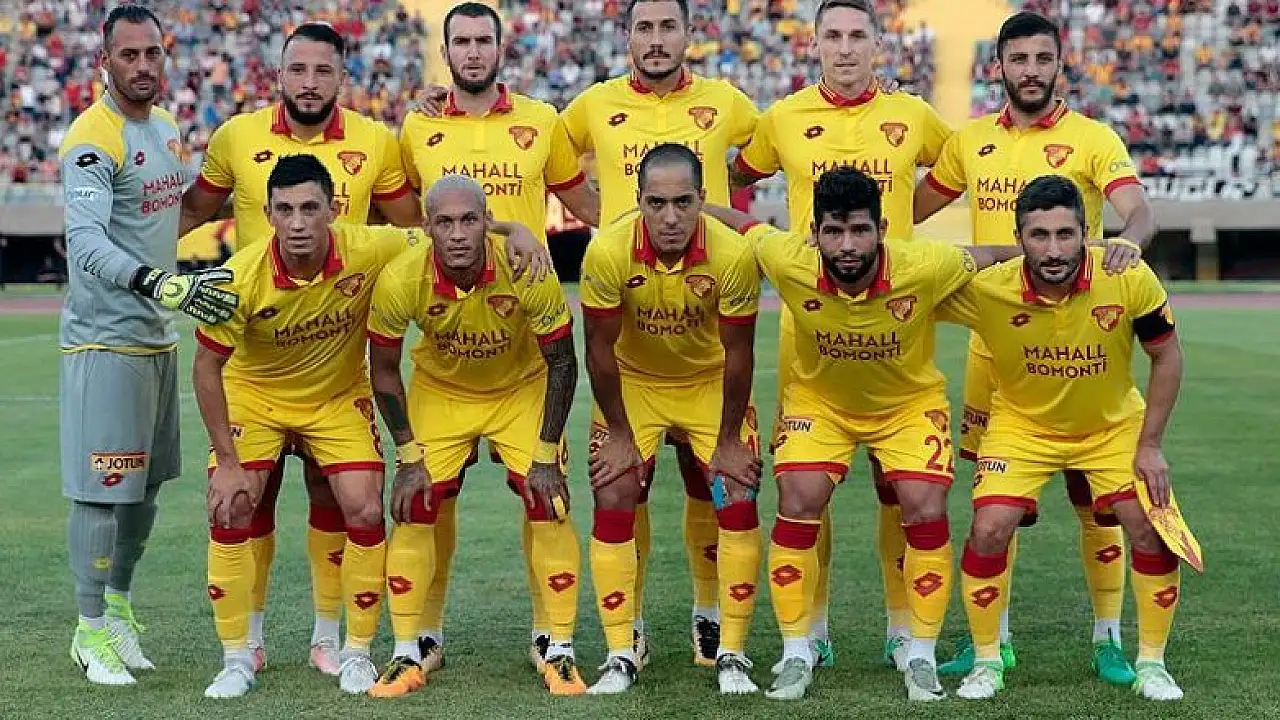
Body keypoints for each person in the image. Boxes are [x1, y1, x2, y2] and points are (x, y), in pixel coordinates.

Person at [192, 155, 545, 699]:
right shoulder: (239, 276)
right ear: (268, 215)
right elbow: (205, 368)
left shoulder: (372, 247)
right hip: (255, 398)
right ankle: (238, 655)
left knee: (363, 506)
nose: (298, 222)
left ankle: (352, 650)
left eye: (310, 208)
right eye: (285, 210)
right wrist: (227, 462)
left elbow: (446, 227)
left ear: (332, 210)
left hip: (337, 398)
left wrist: (513, 228)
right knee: (231, 505)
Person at [701, 167, 1029, 701]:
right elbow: (741, 224)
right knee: (798, 495)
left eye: (859, 230)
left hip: (907, 406)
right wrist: (688, 207)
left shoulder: (926, 264)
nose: (848, 245)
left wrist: (1090, 249)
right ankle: (796, 652)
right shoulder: (787, 258)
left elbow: (991, 254)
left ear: (881, 229)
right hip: (820, 404)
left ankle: (920, 655)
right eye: (834, 231)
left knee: (924, 503)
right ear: (814, 233)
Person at [914, 10, 1155, 683]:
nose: (1030, 71)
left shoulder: (1093, 138)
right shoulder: (970, 142)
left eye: (1042, 59)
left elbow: (1138, 209)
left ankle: (1108, 637)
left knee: (1095, 497)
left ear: (1059, 64)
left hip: (1075, 345)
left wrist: (1132, 242)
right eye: (1018, 59)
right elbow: (909, 210)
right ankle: (994, 641)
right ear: (999, 67)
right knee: (997, 505)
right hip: (994, 346)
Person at [179, 21, 422, 676]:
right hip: (254, 363)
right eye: (298, 69)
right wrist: (131, 269)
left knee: (344, 499)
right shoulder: (236, 137)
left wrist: (507, 233)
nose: (309, 82)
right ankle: (245, 647)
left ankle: (331, 641)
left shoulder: (376, 142)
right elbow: (190, 212)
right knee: (242, 500)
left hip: (336, 366)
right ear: (278, 74)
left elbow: (418, 233)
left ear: (343, 77)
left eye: (323, 70)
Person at [727, 0, 954, 669]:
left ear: (878, 44)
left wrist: (906, 221)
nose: (846, 48)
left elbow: (958, 167)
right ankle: (814, 628)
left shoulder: (913, 115)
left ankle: (901, 628)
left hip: (896, 323)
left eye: (858, 36)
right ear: (815, 44)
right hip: (812, 331)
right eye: (833, 36)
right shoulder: (783, 118)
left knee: (898, 487)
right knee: (807, 489)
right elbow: (734, 176)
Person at [395, 2, 599, 673]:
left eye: (484, 40)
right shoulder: (417, 124)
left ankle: (550, 636)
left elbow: (588, 205)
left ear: (502, 47)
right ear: (446, 50)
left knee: (547, 496)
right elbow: (402, 217)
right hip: (447, 347)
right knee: (427, 499)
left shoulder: (542, 120)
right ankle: (423, 637)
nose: (474, 51)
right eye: (462, 41)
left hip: (525, 347)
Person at [561, 0, 760, 666]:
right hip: (633, 341)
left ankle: (711, 619)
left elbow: (768, 154)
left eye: (667, 25)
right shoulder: (594, 104)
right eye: (643, 27)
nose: (655, 38)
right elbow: (548, 158)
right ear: (627, 37)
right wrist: (601, 220)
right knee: (621, 483)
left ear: (688, 34)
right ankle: (630, 634)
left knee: (715, 483)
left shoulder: (727, 101)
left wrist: (728, 217)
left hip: (704, 350)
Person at [935, 175, 1186, 702]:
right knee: (989, 529)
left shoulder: (1126, 277)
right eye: (1039, 235)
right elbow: (916, 285)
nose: (1053, 250)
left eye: (1065, 234)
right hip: (1022, 428)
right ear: (1019, 238)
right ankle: (987, 661)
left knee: (1148, 527)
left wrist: (1150, 445)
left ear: (1086, 233)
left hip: (1111, 428)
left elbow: (1166, 355)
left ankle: (1153, 663)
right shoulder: (989, 288)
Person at [58, 5, 238, 687]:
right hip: (105, 344)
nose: (142, 66)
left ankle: (116, 610)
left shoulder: (165, 128)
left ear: (166, 56)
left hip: (157, 340)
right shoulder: (91, 137)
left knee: (145, 490)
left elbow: (166, 217)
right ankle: (88, 631)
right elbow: (86, 242)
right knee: (103, 491)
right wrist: (157, 282)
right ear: (104, 61)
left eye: (152, 53)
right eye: (128, 54)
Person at [364, 174, 586, 697]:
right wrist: (408, 456)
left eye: (470, 220)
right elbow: (385, 372)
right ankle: (411, 647)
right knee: (415, 504)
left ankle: (556, 645)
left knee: (549, 503)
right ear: (427, 227)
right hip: (442, 391)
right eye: (445, 222)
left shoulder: (526, 266)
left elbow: (562, 362)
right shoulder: (402, 277)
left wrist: (546, 456)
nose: (459, 233)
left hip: (521, 388)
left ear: (488, 222)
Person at [580, 144, 763, 695]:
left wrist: (728, 440)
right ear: (638, 201)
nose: (670, 217)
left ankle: (727, 645)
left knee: (736, 491)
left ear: (702, 199)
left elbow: (739, 355)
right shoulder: (607, 251)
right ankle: (622, 647)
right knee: (613, 489)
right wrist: (618, 435)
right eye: (656, 203)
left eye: (683, 202)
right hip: (635, 382)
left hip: (709, 382)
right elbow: (599, 351)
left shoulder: (732, 255)